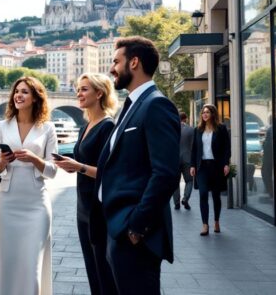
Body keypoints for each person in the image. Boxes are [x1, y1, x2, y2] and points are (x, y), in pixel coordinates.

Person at [95, 36, 180, 295]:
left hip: (134, 234)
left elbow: (165, 173)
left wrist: (136, 226)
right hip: (117, 230)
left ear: (134, 62)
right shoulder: (131, 106)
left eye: (116, 61)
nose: (112, 68)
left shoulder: (156, 105)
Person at [0, 76, 58, 295]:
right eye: (17, 91)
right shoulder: (1, 125)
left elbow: (53, 170)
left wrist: (34, 159)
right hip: (7, 202)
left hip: (36, 202)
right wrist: (2, 162)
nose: (19, 95)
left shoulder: (47, 128)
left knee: (31, 265)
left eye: (25, 92)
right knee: (6, 261)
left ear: (36, 97)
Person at [54, 73, 117, 295]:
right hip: (83, 207)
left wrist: (78, 167)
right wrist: (70, 165)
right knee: (92, 268)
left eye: (83, 89)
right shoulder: (86, 125)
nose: (78, 94)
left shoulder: (107, 126)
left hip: (99, 209)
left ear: (99, 93)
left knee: (103, 270)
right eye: (77, 89)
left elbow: (109, 173)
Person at [190, 104, 231, 236]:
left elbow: (226, 148)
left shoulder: (221, 129)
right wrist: (192, 165)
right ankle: (205, 225)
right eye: (203, 113)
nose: (205, 115)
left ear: (213, 114)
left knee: (215, 196)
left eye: (207, 112)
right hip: (202, 167)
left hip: (216, 166)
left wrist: (226, 164)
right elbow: (194, 149)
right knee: (203, 194)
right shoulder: (198, 130)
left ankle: (216, 221)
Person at [173, 112, 195, 210]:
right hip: (188, 159)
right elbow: (194, 146)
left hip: (175, 159)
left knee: (175, 182)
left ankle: (176, 202)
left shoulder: (172, 129)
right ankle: (185, 199)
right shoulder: (191, 130)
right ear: (186, 119)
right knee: (189, 181)